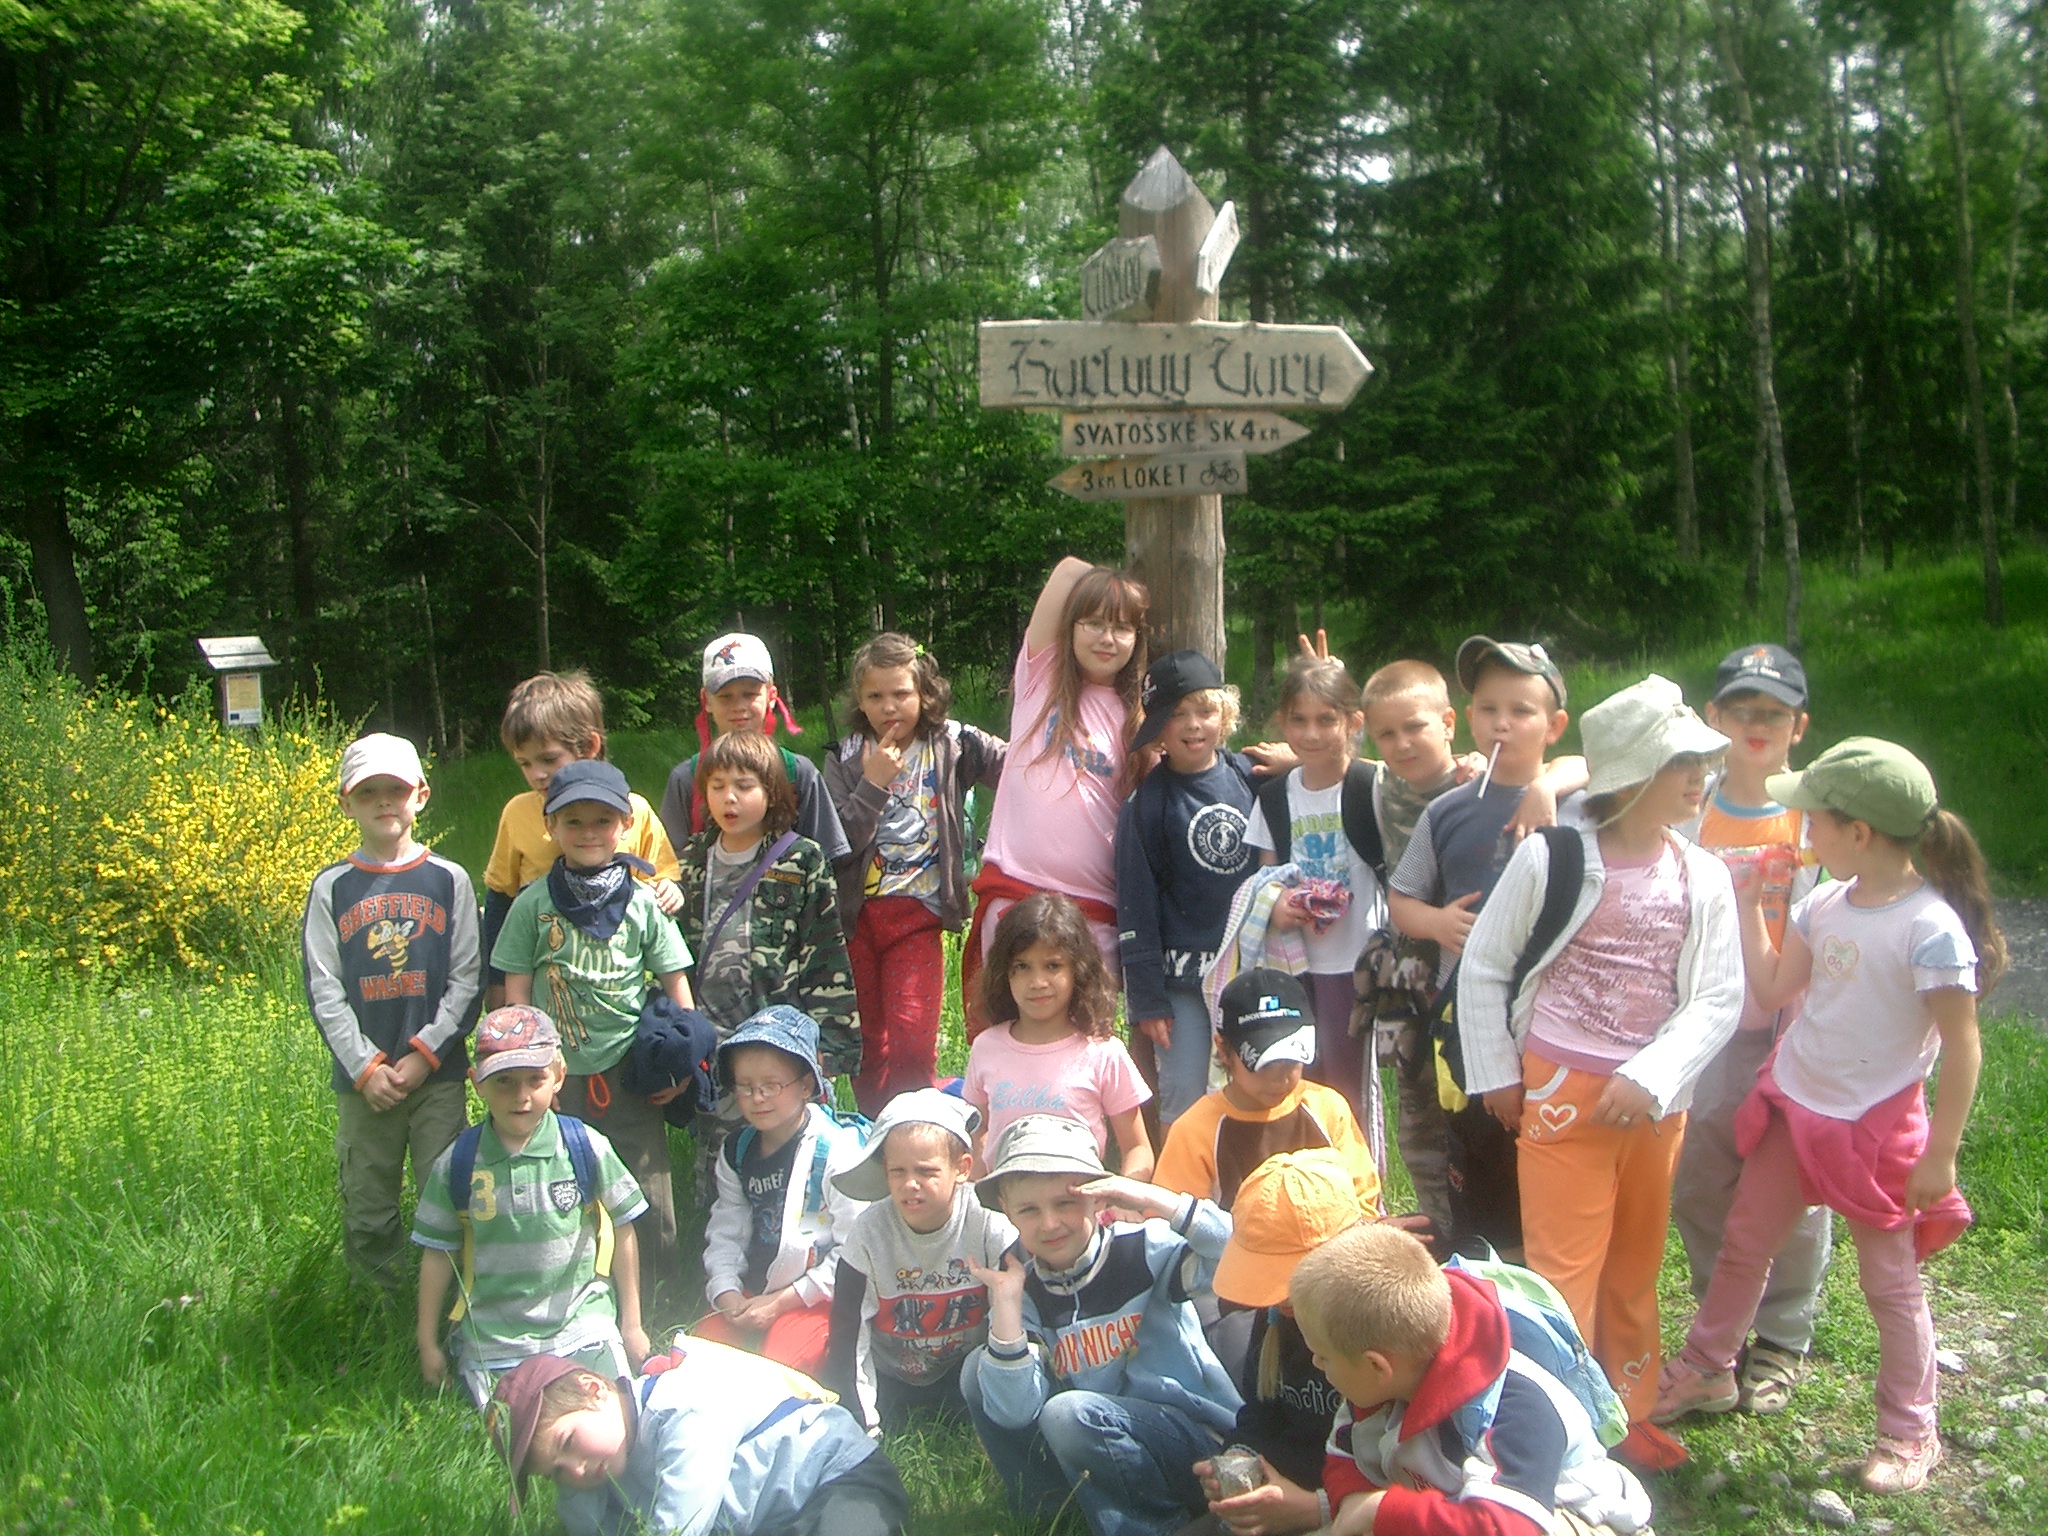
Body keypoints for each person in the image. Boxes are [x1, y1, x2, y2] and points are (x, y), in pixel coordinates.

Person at [1654, 738, 2004, 1496]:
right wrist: (1751, 908)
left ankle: (1909, 1431)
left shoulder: (1930, 928)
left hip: (1876, 1132)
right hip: (1796, 1107)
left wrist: (1941, 1154)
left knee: (1889, 1285)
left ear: (1860, 833)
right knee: (1745, 1243)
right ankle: (1707, 1369)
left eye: (1814, 821)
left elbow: (1964, 1046)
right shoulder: (1824, 903)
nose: (1804, 833)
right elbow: (1776, 989)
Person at [1455, 675, 1742, 1468]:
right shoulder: (1552, 858)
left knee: (1636, 1263)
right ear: (1633, 772)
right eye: (1681, 763)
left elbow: (1719, 995)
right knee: (1562, 1271)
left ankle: (1628, 1407)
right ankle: (1558, 1426)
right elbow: (1485, 963)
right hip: (1559, 1096)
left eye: (1703, 764)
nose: (1698, 779)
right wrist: (1496, 1072)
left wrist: (1652, 1075)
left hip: (1655, 1105)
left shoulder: (1703, 876)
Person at [1359, 657, 1586, 1236]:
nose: (1502, 723)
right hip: (1466, 1020)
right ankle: (1485, 1258)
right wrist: (1437, 924)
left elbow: (1600, 765)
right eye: (1489, 709)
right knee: (1478, 1150)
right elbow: (1401, 898)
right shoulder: (1448, 809)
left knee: (1556, 1158)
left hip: (1559, 1018)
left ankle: (1551, 1260)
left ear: (1554, 725)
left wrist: (1546, 785)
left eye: (1521, 711)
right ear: (1467, 718)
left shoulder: (1578, 805)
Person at [1670, 643, 1830, 1417]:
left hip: (1793, 1030)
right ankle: (1721, 1323)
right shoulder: (1687, 808)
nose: (1755, 724)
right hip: (1704, 1024)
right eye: (1740, 709)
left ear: (1800, 726)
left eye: (1773, 712)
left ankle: (1782, 1337)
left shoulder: (1819, 815)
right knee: (1698, 1178)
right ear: (1713, 718)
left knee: (1793, 1187)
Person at [961, 1114, 1242, 1536]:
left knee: (1068, 1413)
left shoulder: (1143, 1250)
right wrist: (1006, 1307)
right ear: (1006, 1208)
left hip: (1190, 1442)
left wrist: (1149, 1196)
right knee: (980, 1369)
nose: (1050, 1223)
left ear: (1098, 1196)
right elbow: (1013, 1412)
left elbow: (1237, 1251)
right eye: (1029, 1210)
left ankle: (1158, 1528)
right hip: (1094, 1438)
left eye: (1065, 1203)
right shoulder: (1022, 1284)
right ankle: (1052, 1515)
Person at [1296, 1222, 1651, 1536]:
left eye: (1323, 1356)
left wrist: (1380, 1511)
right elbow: (1346, 1456)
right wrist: (1355, 1501)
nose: (1314, 1362)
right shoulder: (1378, 1384)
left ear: (1377, 1366)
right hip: (1462, 1511)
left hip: (1567, 1517)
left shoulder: (1516, 1405)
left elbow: (1507, 1527)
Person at [493, 759, 695, 1308]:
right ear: (551, 827)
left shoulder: (642, 902)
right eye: (573, 822)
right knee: (563, 1181)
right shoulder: (533, 904)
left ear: (625, 825)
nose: (588, 833)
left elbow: (677, 983)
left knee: (644, 1181)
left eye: (602, 821)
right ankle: (575, 1293)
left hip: (629, 1070)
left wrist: (685, 1061)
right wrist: (529, 1069)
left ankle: (656, 1293)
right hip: (557, 1077)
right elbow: (516, 992)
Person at [304, 732, 481, 1301]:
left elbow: (467, 979)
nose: (384, 801)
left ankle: (450, 1311)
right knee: (368, 1203)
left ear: (420, 796)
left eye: (396, 790)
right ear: (346, 803)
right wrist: (365, 1067)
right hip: (365, 1085)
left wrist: (425, 1055)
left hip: (437, 1076)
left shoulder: (449, 879)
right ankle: (377, 1313)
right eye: (368, 792)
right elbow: (324, 988)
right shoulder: (332, 887)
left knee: (445, 1197)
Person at [413, 1006, 651, 1404]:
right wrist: (427, 1342)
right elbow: (438, 1253)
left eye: (535, 1079)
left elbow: (624, 1227)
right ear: (477, 1083)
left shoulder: (585, 1147)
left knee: (614, 1413)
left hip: (583, 1327)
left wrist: (632, 1324)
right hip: (494, 1339)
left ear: (558, 1076)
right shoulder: (458, 1162)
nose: (521, 1097)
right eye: (503, 1082)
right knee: (515, 1433)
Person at [824, 633, 1006, 1115]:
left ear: (924, 693)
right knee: (867, 1044)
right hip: (857, 920)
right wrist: (872, 784)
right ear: (859, 701)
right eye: (874, 696)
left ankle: (917, 1128)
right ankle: (875, 1129)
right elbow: (838, 844)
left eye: (901, 693)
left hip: (918, 916)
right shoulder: (844, 757)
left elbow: (1018, 767)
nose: (889, 707)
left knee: (911, 1038)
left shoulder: (953, 744)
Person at [965, 557, 1151, 1022]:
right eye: (1094, 623)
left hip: (1094, 912)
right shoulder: (1040, 682)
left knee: (1085, 1042)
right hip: (1015, 895)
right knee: (1006, 1036)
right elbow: (1068, 570)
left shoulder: (1139, 719)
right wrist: (1121, 585)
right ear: (1070, 627)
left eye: (1122, 628)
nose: (1107, 638)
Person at [675, 731, 860, 1198]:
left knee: (788, 1151)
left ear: (772, 792)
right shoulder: (691, 860)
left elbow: (825, 952)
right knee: (719, 1160)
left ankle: (792, 1229)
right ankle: (718, 1233)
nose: (729, 798)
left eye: (744, 786)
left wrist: (831, 1042)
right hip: (711, 1038)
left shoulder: (801, 859)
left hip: (775, 1034)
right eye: (717, 786)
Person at [489, 1343, 910, 1536]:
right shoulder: (605, 1471)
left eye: (567, 1443)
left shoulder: (680, 1405)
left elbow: (681, 1524)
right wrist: (576, 1497)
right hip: (770, 1521)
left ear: (594, 1388)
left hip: (835, 1477)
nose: (575, 1470)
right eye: (555, 1473)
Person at [1188, 1149, 1378, 1536]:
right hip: (1282, 1490)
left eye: (1289, 1277)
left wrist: (1316, 1509)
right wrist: (1239, 1457)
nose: (1277, 1297)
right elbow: (1261, 1413)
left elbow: (1411, 1476)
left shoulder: (1384, 1329)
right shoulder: (1278, 1314)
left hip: (1351, 1509)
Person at [1115, 650, 1259, 1127]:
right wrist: (1147, 998)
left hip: (1247, 968)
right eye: (1177, 714)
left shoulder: (1251, 778)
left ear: (1225, 715)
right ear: (1158, 727)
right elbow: (1135, 907)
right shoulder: (1147, 805)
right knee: (1184, 1095)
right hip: (1183, 984)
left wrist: (1295, 758)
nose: (1194, 725)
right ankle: (1180, 1173)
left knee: (1255, 1084)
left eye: (1205, 711)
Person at [482, 671, 683, 1008]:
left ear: (589, 746)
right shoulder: (517, 813)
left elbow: (662, 877)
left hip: (615, 986)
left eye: (548, 759)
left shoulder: (632, 810)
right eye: (524, 763)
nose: (537, 774)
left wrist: (671, 888)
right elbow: (500, 899)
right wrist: (496, 983)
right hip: (542, 985)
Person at [1243, 653, 1386, 1125]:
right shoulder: (1274, 798)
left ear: (1353, 723)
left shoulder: (1371, 787)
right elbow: (1265, 883)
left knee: (1349, 1089)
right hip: (1295, 967)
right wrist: (1279, 907)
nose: (1311, 733)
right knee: (1298, 1085)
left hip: (1356, 965)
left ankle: (1358, 1167)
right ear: (1282, 722)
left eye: (1326, 720)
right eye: (1298, 720)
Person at [822, 1088, 1018, 1431]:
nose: (910, 1184)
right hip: (889, 1375)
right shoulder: (868, 1234)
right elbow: (848, 1334)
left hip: (968, 1371)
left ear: (962, 1168)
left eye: (926, 1172)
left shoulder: (989, 1224)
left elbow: (1021, 1312)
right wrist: (861, 1425)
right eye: (897, 1171)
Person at [697, 1006, 869, 1377]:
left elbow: (855, 1251)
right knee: (698, 1360)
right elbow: (726, 1230)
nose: (757, 1097)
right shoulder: (737, 1151)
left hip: (814, 1295)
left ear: (806, 1085)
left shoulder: (835, 1152)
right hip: (751, 1290)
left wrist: (781, 1303)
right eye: (745, 1087)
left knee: (781, 1371)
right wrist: (726, 1293)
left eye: (771, 1086)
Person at [1153, 969, 1380, 1217]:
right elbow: (1172, 1221)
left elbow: (1363, 1199)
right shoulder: (1195, 1131)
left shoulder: (1327, 1108)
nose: (1280, 1077)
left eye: (1292, 1062)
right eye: (1264, 1064)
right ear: (1224, 1050)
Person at [966, 892, 1154, 1180]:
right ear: (1004, 973)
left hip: (1078, 1202)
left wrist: (1120, 1198)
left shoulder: (1102, 1052)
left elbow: (1137, 1148)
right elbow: (979, 1131)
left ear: (1078, 969)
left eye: (1053, 966)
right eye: (1022, 967)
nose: (1037, 982)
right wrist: (975, 1194)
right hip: (1005, 1202)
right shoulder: (986, 1047)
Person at [658, 632, 851, 863]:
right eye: (725, 696)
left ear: (772, 696)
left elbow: (828, 857)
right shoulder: (686, 778)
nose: (739, 706)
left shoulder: (798, 772)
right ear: (706, 700)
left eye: (749, 694)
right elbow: (667, 865)